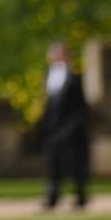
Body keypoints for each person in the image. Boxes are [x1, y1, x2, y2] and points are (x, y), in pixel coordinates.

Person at [38, 41, 90, 210]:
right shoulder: (47, 76)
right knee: (53, 163)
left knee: (75, 164)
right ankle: (52, 196)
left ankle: (80, 196)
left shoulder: (75, 78)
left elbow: (80, 107)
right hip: (51, 129)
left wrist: (71, 127)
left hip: (70, 129)